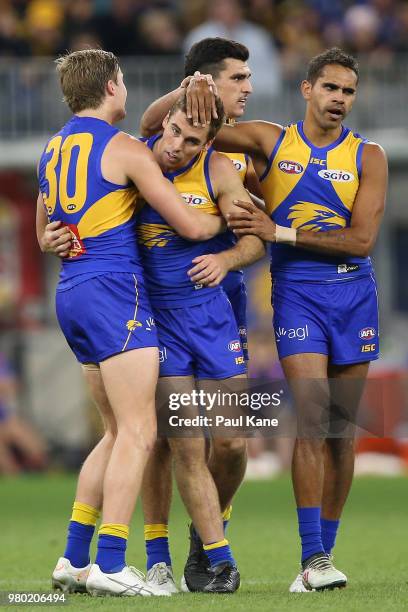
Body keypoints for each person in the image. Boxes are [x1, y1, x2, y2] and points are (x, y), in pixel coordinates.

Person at [36, 48, 224, 598]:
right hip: (114, 291)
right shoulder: (121, 148)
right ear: (114, 86)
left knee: (117, 431)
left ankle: (74, 559)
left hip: (70, 291)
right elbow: (188, 225)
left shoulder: (52, 148)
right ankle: (113, 563)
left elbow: (46, 232)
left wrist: (51, 240)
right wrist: (231, 216)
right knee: (141, 431)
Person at [210, 47, 388, 591]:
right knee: (314, 421)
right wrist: (194, 89)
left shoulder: (369, 156)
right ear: (306, 89)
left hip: (354, 296)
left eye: (349, 92)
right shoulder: (270, 140)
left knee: (341, 433)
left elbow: (361, 241)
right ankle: (312, 560)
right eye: (330, 88)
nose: (339, 100)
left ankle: (323, 559)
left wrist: (278, 233)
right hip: (298, 298)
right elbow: (166, 128)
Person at [139, 37, 262, 591]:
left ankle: (205, 531)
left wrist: (227, 256)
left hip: (212, 316)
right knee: (178, 440)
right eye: (174, 133)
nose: (177, 147)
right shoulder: (138, 154)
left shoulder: (218, 170)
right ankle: (197, 555)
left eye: (192, 139)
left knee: (233, 442)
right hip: (157, 320)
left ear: (208, 141)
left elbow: (256, 238)